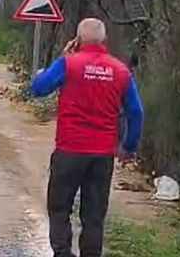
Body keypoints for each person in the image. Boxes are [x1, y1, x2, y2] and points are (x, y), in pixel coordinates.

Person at [30, 18, 144, 257]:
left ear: (77, 40)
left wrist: (62, 58)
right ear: (105, 40)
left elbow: (38, 88)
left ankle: (62, 253)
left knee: (59, 208)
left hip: (69, 151)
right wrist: (128, 146)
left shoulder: (69, 63)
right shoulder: (120, 71)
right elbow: (136, 112)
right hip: (102, 156)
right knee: (94, 215)